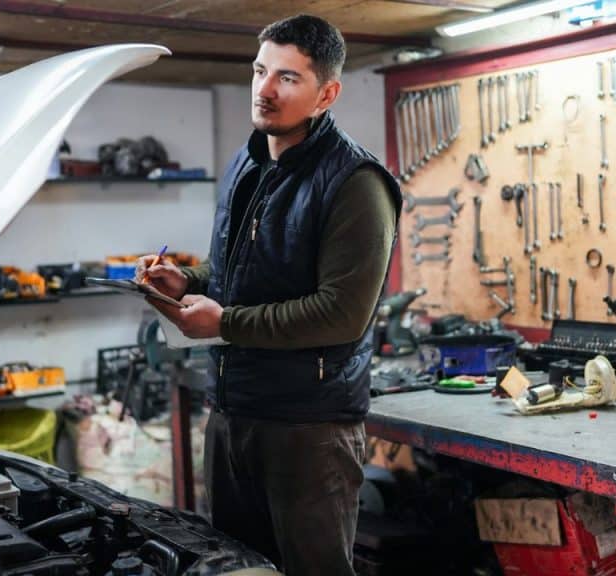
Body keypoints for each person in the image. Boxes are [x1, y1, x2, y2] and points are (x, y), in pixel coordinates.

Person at [139, 14, 401, 575]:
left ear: (326, 93)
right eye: (260, 70)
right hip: (235, 414)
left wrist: (225, 323)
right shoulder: (248, 161)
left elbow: (342, 314)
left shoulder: (356, 183)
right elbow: (237, 269)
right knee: (236, 568)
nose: (264, 89)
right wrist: (189, 282)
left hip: (309, 429)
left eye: (287, 77)